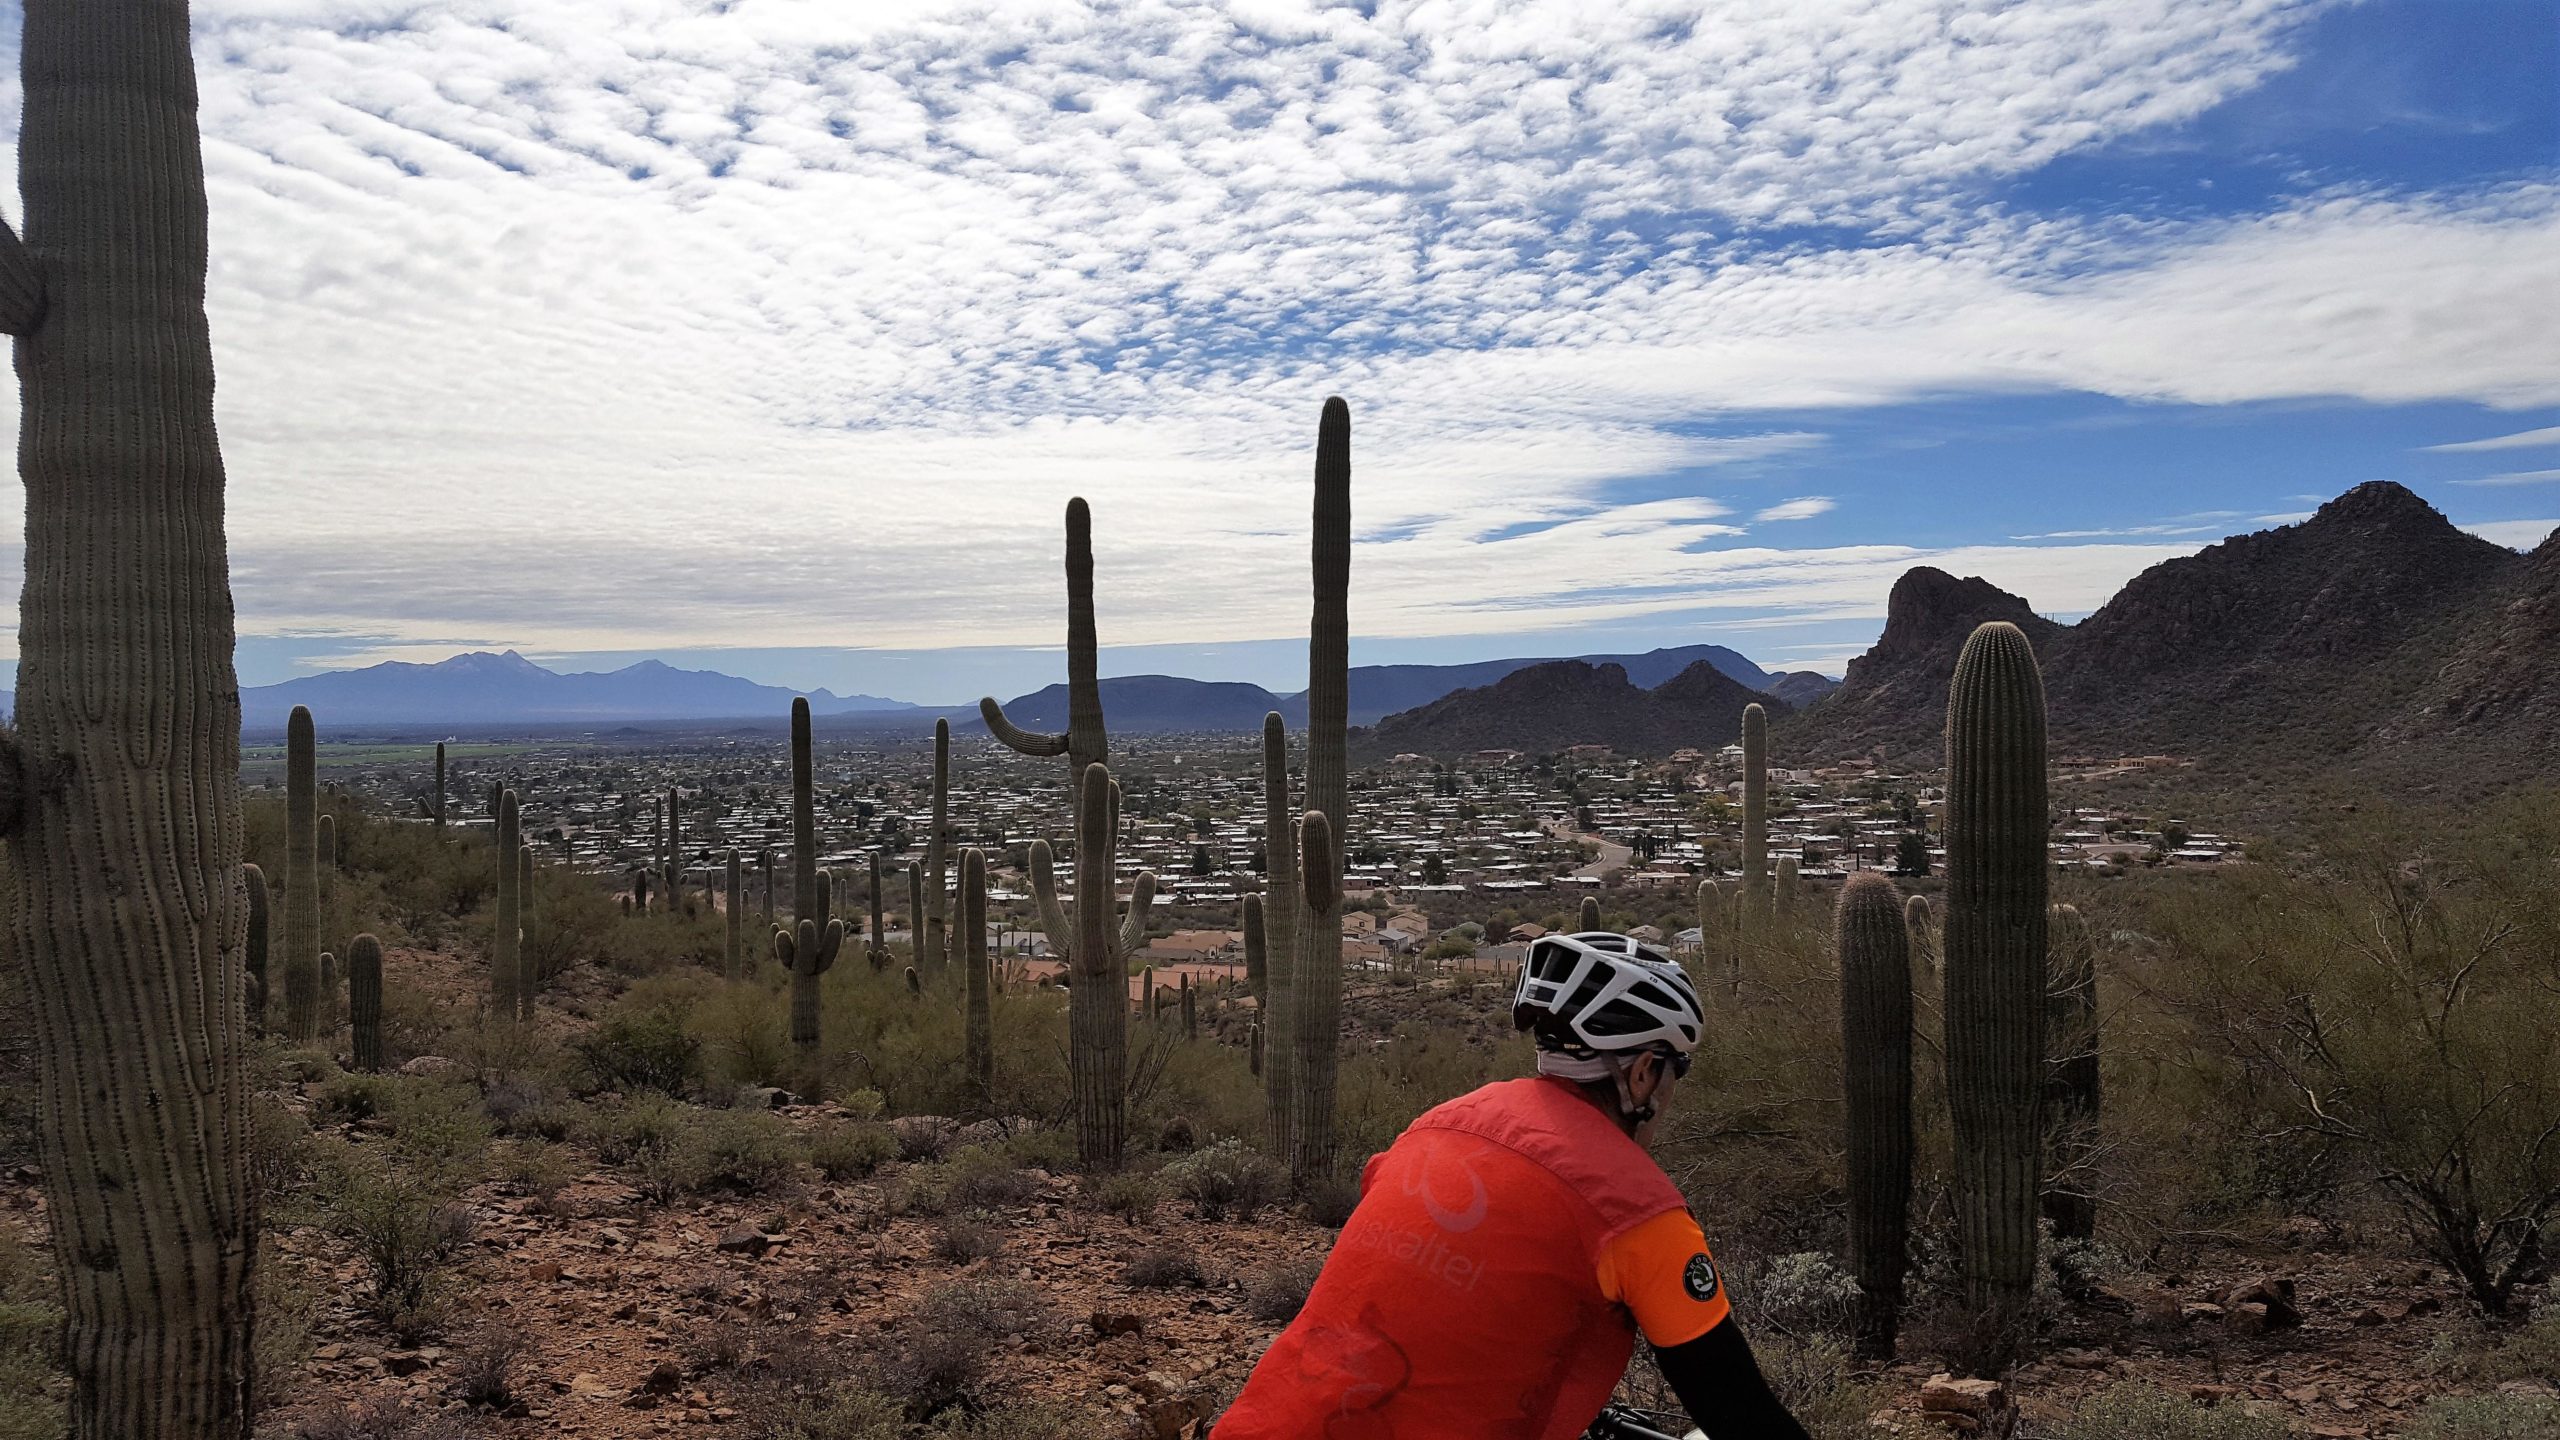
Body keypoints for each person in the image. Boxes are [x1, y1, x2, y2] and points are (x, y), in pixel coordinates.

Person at [1214, 931, 1812, 1440]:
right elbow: (1740, 1414)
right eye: (1675, 1070)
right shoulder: (1636, 1210)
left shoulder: (1431, 1129)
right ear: (1643, 1072)